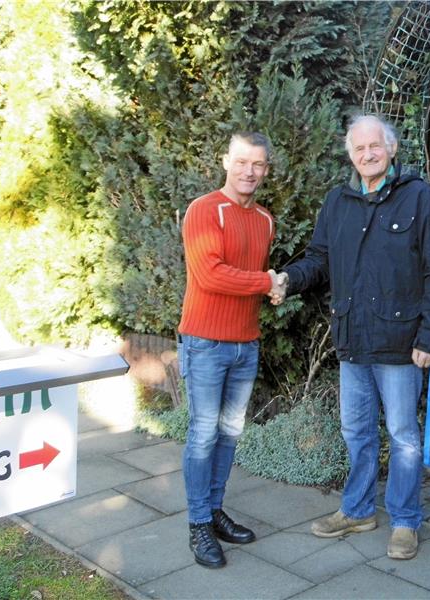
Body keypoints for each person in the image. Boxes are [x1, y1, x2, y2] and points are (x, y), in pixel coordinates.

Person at [276, 115, 430, 560]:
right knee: (356, 431)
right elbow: (318, 258)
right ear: (350, 154)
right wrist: (287, 279)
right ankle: (357, 510)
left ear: (391, 149)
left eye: (375, 146)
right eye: (359, 148)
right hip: (352, 338)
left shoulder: (420, 198)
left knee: (403, 436)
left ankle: (405, 521)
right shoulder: (338, 202)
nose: (367, 154)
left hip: (401, 343)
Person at [177, 131, 285, 568]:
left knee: (229, 433)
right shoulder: (204, 210)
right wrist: (268, 283)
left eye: (258, 164)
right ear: (226, 161)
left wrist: (271, 288)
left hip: (245, 344)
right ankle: (198, 524)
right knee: (203, 434)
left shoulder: (265, 219)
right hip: (205, 343)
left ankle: (215, 511)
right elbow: (211, 275)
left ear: (266, 169)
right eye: (243, 162)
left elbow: (248, 276)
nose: (250, 172)